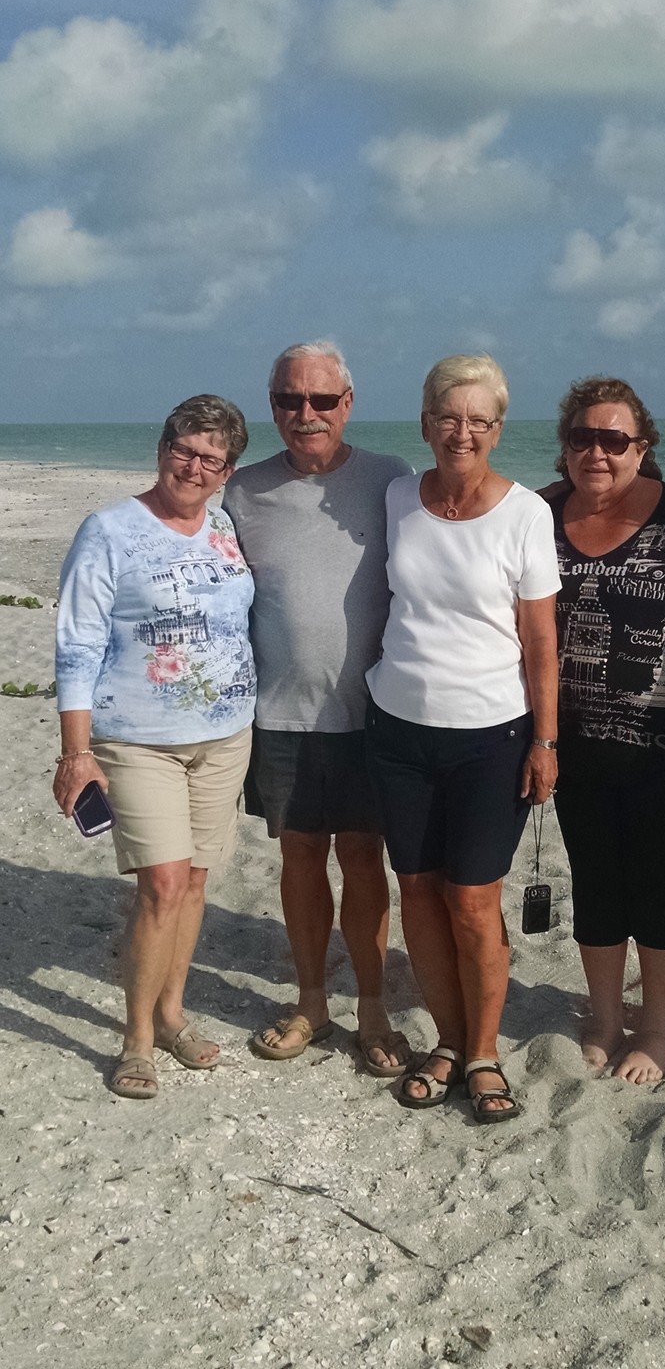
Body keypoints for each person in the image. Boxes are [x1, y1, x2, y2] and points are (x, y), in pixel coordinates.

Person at [365, 354, 560, 1121]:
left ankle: (483, 1053)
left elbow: (540, 643)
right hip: (397, 729)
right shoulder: (396, 498)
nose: (462, 432)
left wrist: (546, 743)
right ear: (425, 424)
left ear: (498, 429)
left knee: (473, 900)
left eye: (479, 420)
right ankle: (447, 1041)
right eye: (449, 417)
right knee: (416, 889)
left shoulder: (525, 514)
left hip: (491, 737)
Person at [53, 395, 256, 1099]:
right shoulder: (109, 530)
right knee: (162, 885)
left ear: (228, 471)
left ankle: (172, 1015)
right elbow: (77, 644)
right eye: (184, 451)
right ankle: (137, 1038)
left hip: (226, 737)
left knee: (196, 881)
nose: (194, 468)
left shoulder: (225, 527)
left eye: (212, 460)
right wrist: (75, 753)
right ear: (162, 448)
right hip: (137, 740)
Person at [223, 341, 413, 1073]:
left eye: (323, 399)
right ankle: (310, 1001)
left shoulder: (391, 480)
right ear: (272, 405)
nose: (307, 413)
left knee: (364, 857)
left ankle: (372, 1005)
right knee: (300, 856)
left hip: (372, 714)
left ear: (348, 404)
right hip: (279, 715)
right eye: (289, 399)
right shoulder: (242, 490)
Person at [542, 378, 665, 1083]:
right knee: (592, 871)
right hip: (573, 738)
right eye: (582, 437)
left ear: (641, 447)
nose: (597, 452)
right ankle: (603, 1015)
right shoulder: (535, 515)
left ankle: (654, 1025)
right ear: (566, 446)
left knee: (659, 872)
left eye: (614, 439)